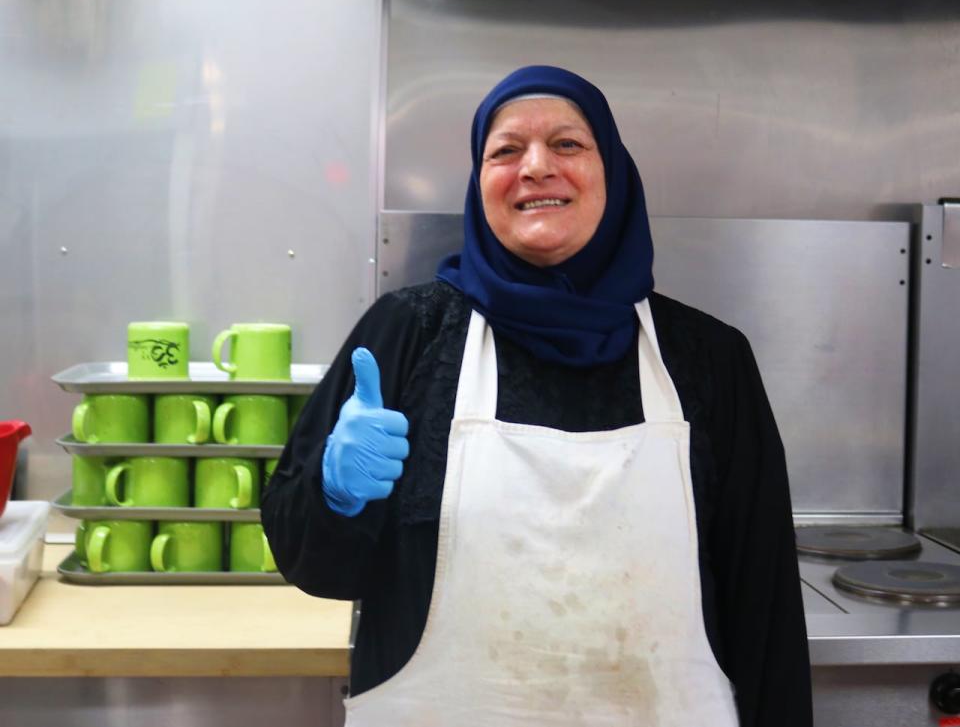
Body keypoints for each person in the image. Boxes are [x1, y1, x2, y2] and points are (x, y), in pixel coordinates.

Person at [262, 65, 812, 726]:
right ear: (480, 182)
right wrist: (334, 496)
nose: (535, 167)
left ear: (613, 171)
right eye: (506, 150)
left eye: (568, 145)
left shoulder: (709, 361)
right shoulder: (408, 335)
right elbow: (312, 563)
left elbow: (766, 612)